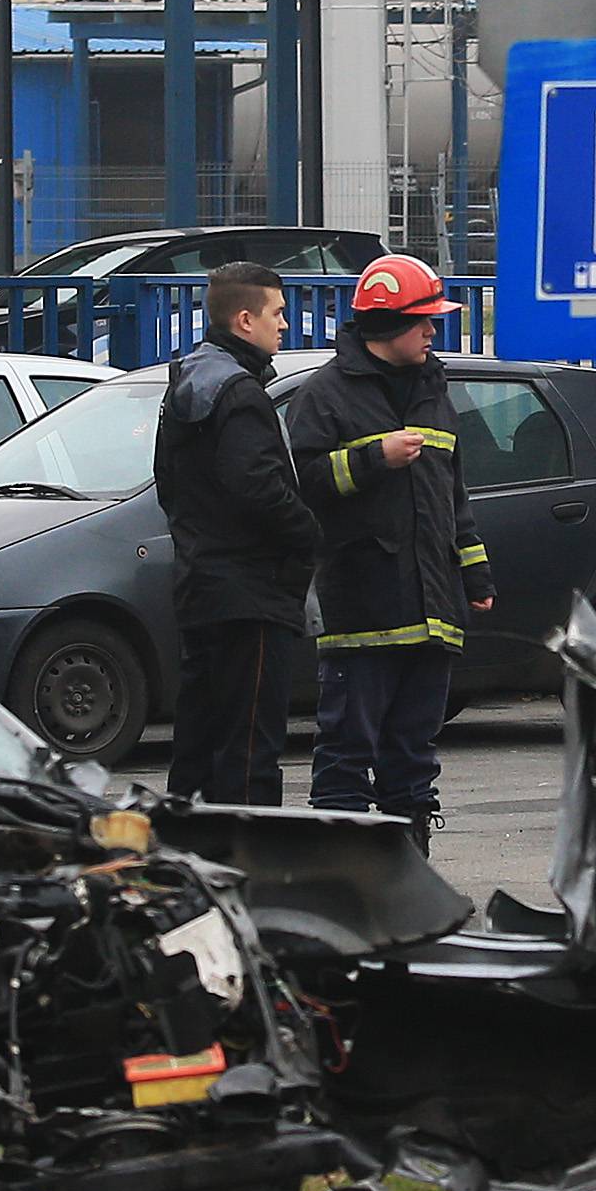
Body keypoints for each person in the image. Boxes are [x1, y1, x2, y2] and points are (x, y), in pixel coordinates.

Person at [286, 254, 494, 852]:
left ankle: (409, 876)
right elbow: (301, 483)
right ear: (385, 325)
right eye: (423, 321)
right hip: (363, 611)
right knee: (347, 753)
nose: (433, 332)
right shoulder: (325, 397)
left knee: (414, 755)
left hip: (434, 609)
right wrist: (373, 457)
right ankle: (345, 880)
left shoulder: (434, 391)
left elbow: (452, 494)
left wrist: (475, 572)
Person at [152, 262, 321, 807]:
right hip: (252, 594)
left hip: (203, 585)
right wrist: (308, 536)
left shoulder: (188, 383)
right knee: (250, 747)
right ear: (245, 320)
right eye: (276, 313)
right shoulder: (240, 394)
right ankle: (247, 871)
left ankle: (188, 863)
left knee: (198, 742)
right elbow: (259, 487)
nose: (285, 326)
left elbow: (169, 484)